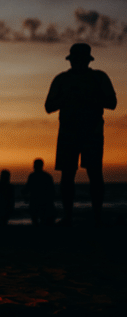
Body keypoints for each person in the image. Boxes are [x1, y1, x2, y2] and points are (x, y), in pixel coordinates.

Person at [45, 43, 117, 225]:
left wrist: (89, 97)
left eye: (80, 60)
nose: (77, 63)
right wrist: (67, 98)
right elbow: (48, 106)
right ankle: (68, 216)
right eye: (75, 60)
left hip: (92, 132)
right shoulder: (61, 80)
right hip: (68, 132)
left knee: (94, 174)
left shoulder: (98, 77)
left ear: (86, 60)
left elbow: (112, 102)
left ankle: (97, 216)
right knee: (68, 175)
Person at [22, 159, 55, 226]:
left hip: (35, 202)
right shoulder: (47, 176)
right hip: (45, 203)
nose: (33, 166)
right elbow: (52, 191)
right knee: (43, 221)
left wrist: (24, 195)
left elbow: (27, 188)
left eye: (34, 165)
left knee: (36, 221)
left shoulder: (32, 176)